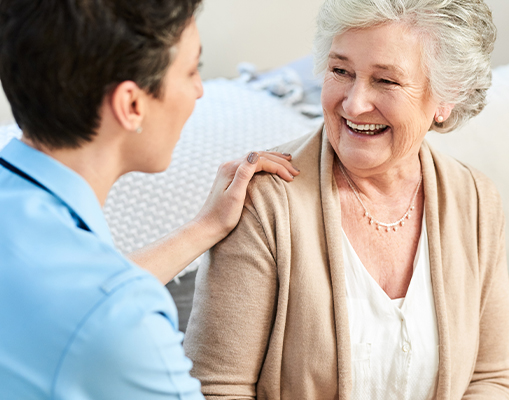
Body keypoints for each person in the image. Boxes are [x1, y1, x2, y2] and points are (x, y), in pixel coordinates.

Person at [184, 0, 509, 398]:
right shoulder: (265, 202)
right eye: (341, 71)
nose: (355, 103)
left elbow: (489, 378)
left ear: (446, 99)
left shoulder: (476, 201)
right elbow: (217, 389)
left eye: (386, 81)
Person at [0, 0, 298, 398]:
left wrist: (203, 228)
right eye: (192, 71)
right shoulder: (126, 327)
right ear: (132, 105)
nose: (199, 91)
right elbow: (99, 313)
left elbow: (67, 300)